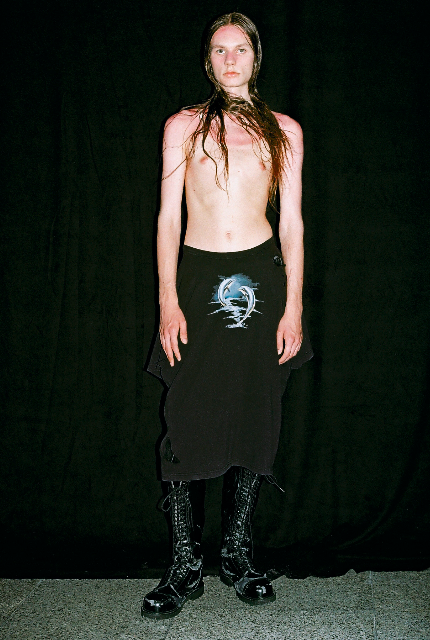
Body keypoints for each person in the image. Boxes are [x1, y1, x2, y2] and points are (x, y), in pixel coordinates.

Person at [142, 12, 312, 619]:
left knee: (255, 411)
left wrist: (293, 305)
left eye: (241, 49)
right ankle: (185, 566)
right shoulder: (183, 126)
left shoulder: (284, 130)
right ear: (208, 60)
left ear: (256, 57)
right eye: (220, 50)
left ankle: (237, 555)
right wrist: (168, 299)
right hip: (197, 277)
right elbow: (168, 218)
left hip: (263, 280)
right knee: (186, 415)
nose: (231, 59)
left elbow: (292, 223)